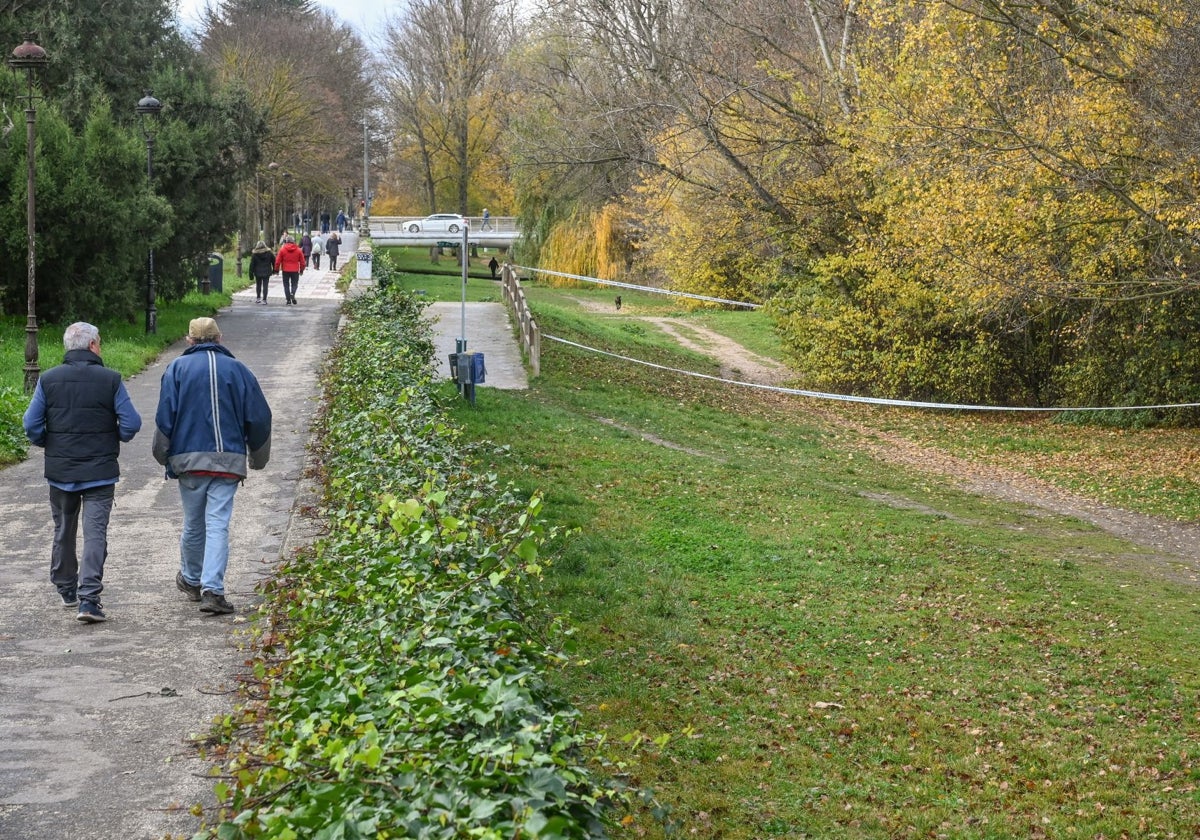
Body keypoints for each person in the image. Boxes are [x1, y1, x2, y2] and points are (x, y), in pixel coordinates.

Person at [23, 322, 142, 623]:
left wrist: (49, 443)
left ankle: (66, 589)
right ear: (92, 346)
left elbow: (31, 425)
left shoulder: (48, 380)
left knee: (63, 529)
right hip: (100, 472)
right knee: (94, 533)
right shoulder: (111, 380)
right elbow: (131, 424)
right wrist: (114, 436)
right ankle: (89, 600)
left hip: (61, 471)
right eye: (99, 342)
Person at [153, 317, 272, 616]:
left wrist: (162, 453)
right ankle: (213, 590)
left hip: (188, 460)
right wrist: (258, 457)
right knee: (217, 523)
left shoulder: (177, 369)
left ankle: (191, 580)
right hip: (228, 461)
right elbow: (259, 417)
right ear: (220, 339)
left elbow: (165, 416)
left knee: (193, 523)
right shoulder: (238, 370)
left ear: (189, 340)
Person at [274, 235, 305, 305]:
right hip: (295, 270)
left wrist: (276, 270)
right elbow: (303, 262)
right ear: (293, 241)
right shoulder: (298, 250)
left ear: (286, 241)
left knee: (286, 285)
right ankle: (292, 293)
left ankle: (288, 300)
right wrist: (301, 270)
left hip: (285, 270)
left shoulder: (282, 250)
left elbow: (277, 261)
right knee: (294, 284)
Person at [248, 239, 275, 305]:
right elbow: (274, 261)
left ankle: (258, 298)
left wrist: (251, 274)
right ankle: (264, 299)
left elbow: (252, 265)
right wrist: (275, 270)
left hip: (257, 272)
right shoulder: (269, 253)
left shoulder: (254, 254)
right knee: (265, 285)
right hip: (267, 271)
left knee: (258, 285)